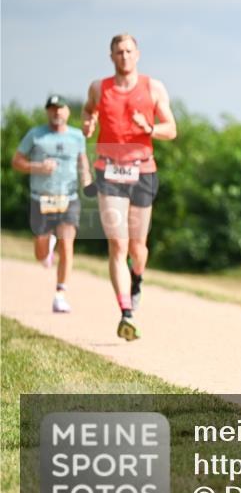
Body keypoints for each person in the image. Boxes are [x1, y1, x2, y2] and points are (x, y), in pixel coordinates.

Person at [82, 33, 177, 341]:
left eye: (128, 51)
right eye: (118, 52)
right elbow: (88, 109)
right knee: (118, 244)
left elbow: (171, 129)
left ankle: (137, 279)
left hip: (142, 171)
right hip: (108, 171)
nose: (124, 56)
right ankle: (126, 312)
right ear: (111, 57)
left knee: (137, 248)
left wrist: (149, 128)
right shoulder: (99, 88)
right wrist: (88, 123)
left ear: (137, 55)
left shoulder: (153, 87)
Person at [12, 95, 93, 313]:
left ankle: (60, 294)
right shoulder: (36, 135)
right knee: (40, 248)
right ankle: (46, 251)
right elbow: (16, 161)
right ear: (47, 112)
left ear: (67, 111)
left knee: (67, 244)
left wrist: (86, 179)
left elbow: (82, 161)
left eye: (60, 109)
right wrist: (37, 167)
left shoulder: (77, 137)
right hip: (41, 199)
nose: (56, 113)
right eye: (52, 109)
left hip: (69, 198)